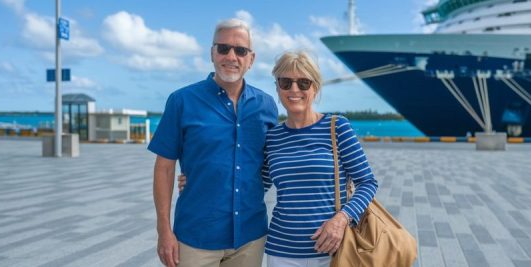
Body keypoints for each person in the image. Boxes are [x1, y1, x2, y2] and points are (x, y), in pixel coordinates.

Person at [148, 18, 278, 267]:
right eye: (223, 48)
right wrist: (164, 231)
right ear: (212, 53)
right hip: (196, 237)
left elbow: (275, 159)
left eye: (240, 50)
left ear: (251, 59)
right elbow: (164, 167)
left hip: (250, 237)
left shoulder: (266, 106)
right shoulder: (181, 101)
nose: (231, 56)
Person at [262, 51, 379, 266]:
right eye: (286, 82)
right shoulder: (272, 137)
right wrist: (201, 180)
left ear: (315, 88)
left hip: (334, 250)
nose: (294, 89)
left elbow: (368, 182)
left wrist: (342, 219)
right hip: (282, 251)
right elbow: (255, 186)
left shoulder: (337, 127)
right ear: (277, 88)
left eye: (303, 83)